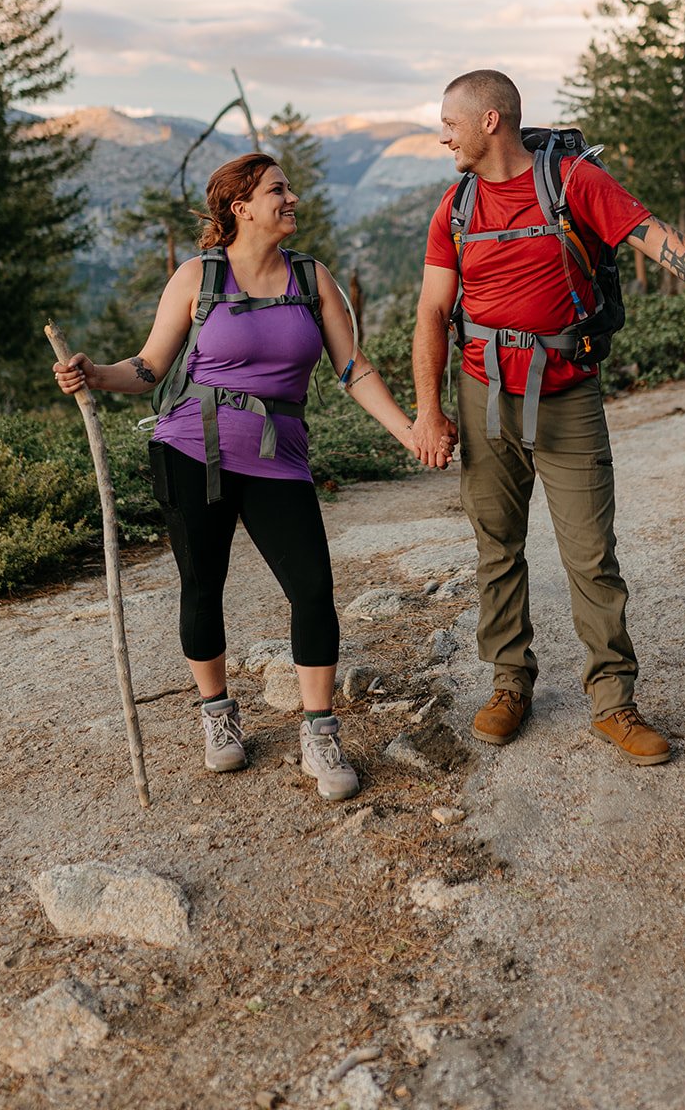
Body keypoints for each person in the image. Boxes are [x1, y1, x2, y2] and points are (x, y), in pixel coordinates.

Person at [54, 152, 450, 801]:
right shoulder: (198, 276)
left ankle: (318, 731)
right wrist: (96, 375)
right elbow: (151, 367)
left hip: (278, 459)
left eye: (288, 189)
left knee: (312, 590)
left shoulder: (309, 276)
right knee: (201, 586)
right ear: (239, 206)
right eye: (277, 190)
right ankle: (217, 716)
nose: (290, 199)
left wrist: (408, 430)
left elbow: (352, 370)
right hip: (190, 451)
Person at [410, 70, 685, 765]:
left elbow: (651, 236)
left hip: (568, 395)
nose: (442, 135)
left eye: (449, 123)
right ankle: (509, 683)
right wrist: (429, 412)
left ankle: (613, 702)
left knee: (590, 556)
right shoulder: (455, 206)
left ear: (490, 121)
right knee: (496, 548)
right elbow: (432, 312)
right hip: (481, 391)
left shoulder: (573, 181)